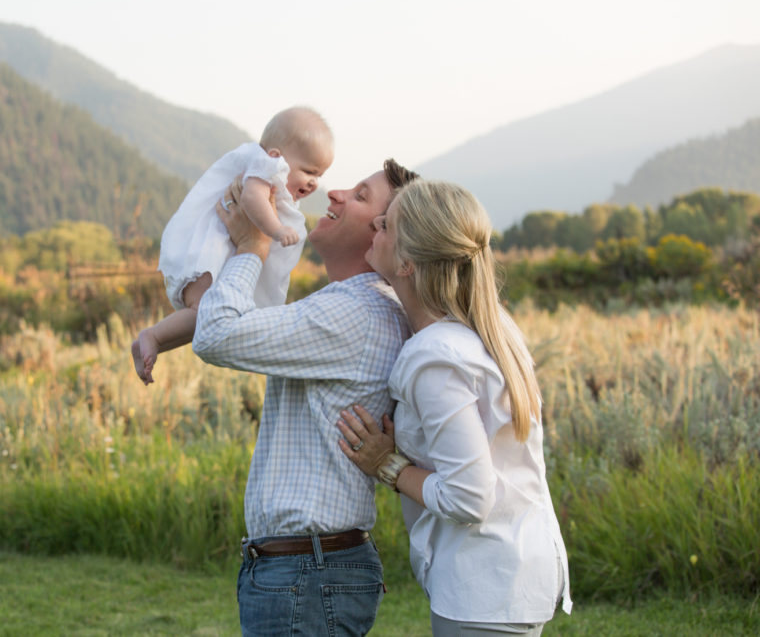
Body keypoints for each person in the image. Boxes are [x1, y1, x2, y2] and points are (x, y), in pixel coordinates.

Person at [336, 179, 573, 636]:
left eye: (385, 224)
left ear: (407, 262)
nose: (374, 228)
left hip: (485, 588)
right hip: (509, 574)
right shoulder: (491, 328)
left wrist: (387, 465)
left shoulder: (436, 356)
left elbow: (469, 496)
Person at [192, 159, 419, 636]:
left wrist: (251, 246)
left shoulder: (353, 313)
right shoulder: (349, 307)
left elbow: (215, 334)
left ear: (386, 232)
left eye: (360, 196)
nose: (334, 194)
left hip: (307, 574)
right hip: (308, 570)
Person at [131, 106, 334, 384]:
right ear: (277, 155)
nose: (313, 183)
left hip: (219, 248)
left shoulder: (267, 166)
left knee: (205, 315)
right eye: (309, 171)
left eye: (319, 176)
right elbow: (252, 199)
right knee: (206, 311)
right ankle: (152, 337)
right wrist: (276, 230)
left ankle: (153, 343)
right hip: (210, 248)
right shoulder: (266, 165)